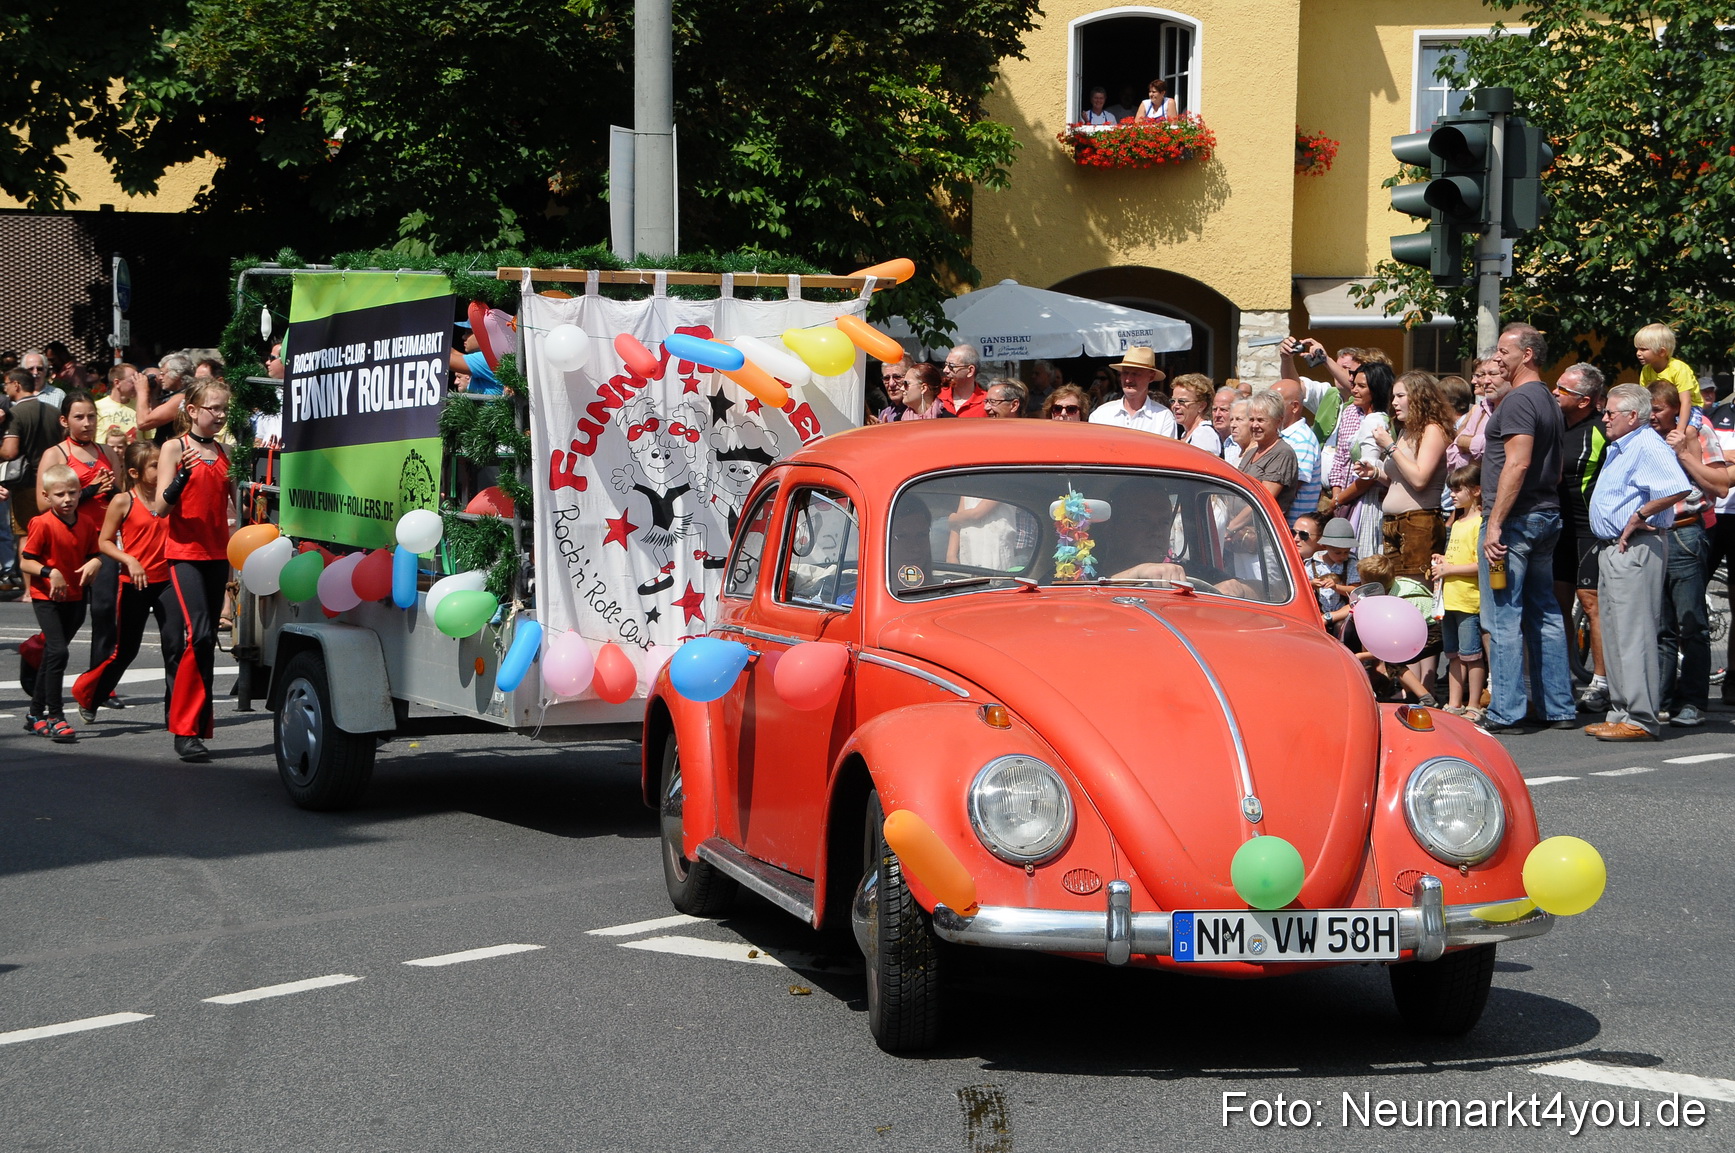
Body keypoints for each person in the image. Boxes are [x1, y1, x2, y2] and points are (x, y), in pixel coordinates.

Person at [1477, 323, 1575, 734]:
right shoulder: (1548, 399)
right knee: (1545, 612)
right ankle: (1558, 707)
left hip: (1515, 521)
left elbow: (1517, 463)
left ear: (1527, 355)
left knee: (1503, 615)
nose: (1498, 358)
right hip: (1544, 515)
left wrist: (1496, 524)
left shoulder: (1518, 401)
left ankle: (1507, 710)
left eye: (1504, 351)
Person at [1584, 384, 1692, 741]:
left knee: (1634, 634)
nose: (1604, 418)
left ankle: (1641, 718)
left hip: (1635, 546)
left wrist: (1642, 513)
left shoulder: (1646, 443)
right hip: (1615, 547)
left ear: (1632, 416)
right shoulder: (1625, 445)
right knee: (1615, 633)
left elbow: (1678, 486)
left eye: (1610, 413)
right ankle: (1621, 712)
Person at [153, 379, 236, 762]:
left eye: (223, 409)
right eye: (213, 408)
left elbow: (235, 506)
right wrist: (182, 477)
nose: (219, 415)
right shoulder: (175, 447)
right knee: (198, 635)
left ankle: (194, 723)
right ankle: (184, 730)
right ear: (192, 410)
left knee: (204, 641)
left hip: (217, 554)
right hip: (184, 554)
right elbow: (160, 507)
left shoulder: (224, 451)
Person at [1649, 381, 1730, 727]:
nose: (1652, 416)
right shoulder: (1644, 436)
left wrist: (1684, 454)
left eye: (1658, 410)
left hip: (1686, 530)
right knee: (1661, 624)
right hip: (1654, 534)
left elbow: (1720, 484)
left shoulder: (1697, 432)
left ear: (1676, 410)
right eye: (1648, 410)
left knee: (1691, 621)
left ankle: (1694, 700)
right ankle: (1662, 698)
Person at [74, 442, 172, 724]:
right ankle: (90, 694)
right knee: (125, 651)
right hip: (134, 583)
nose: (161, 469)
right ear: (135, 472)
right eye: (155, 465)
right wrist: (130, 560)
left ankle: (175, 713)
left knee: (175, 646)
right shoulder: (122, 501)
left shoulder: (170, 497)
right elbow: (104, 541)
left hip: (167, 582)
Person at [20, 463, 103, 741]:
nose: (66, 499)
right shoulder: (41, 523)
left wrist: (95, 562)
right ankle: (55, 715)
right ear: (46, 496)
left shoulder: (87, 523)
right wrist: (49, 572)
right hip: (48, 598)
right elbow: (26, 560)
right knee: (58, 652)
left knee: (53, 656)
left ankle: (34, 715)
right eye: (59, 495)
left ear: (80, 493)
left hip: (77, 597)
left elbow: (95, 553)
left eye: (72, 493)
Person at [1550, 364, 1611, 711]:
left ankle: (1600, 681)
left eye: (1564, 389)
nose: (1555, 392)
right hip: (1558, 527)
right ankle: (1563, 675)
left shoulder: (1601, 430)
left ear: (1585, 400)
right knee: (1557, 603)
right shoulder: (1555, 424)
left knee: (1591, 602)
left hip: (1590, 527)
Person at [1368, 370, 1452, 580]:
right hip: (1392, 524)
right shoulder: (1405, 432)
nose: (1394, 402)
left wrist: (1388, 446)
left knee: (1415, 589)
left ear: (1418, 397)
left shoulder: (1433, 430)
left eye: (1400, 396)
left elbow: (1419, 479)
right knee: (1396, 589)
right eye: (1393, 397)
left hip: (1417, 523)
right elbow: (1400, 480)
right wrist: (1376, 472)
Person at [1432, 463, 1488, 721]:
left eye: (1458, 490)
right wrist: (1443, 560)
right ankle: (1455, 702)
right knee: (1453, 655)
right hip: (1450, 599)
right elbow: (1457, 558)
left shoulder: (1479, 523)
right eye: (1451, 490)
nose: (1452, 495)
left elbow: (1480, 565)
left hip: (1468, 600)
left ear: (1476, 490)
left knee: (1472, 656)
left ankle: (1474, 703)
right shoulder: (1458, 522)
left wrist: (1449, 569)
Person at [1326, 362, 1393, 561]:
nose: (1354, 389)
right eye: (1354, 384)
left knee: (1361, 559)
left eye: (1362, 386)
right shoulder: (1361, 416)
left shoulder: (1374, 421)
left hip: (1366, 501)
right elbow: (1340, 459)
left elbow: (1368, 475)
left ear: (1376, 390)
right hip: (1352, 497)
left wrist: (1338, 500)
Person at [2, 366, 62, 532]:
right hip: (54, 481)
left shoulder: (14, 414)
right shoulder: (55, 411)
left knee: (27, 534)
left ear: (16, 385)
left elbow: (9, 451)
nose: (5, 388)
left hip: (27, 484)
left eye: (6, 384)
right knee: (52, 532)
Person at [1634, 323, 1702, 437]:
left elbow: (1686, 402)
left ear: (1662, 352)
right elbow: (1643, 399)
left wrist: (1680, 430)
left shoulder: (1678, 369)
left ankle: (1694, 454)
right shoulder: (1646, 370)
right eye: (1637, 349)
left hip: (1690, 407)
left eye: (1643, 349)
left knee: (1690, 431)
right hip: (1661, 409)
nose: (1638, 353)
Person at [1238, 391, 1300, 516]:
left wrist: (1231, 527)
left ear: (1278, 421)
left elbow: (1262, 501)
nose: (1255, 425)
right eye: (1251, 419)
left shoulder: (1282, 454)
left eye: (1260, 420)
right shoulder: (1251, 453)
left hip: (1257, 531)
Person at [1089, 347, 1176, 436]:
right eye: (1125, 373)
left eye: (1136, 374)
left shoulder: (1163, 417)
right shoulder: (1101, 414)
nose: (1128, 380)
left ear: (1151, 377)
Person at [1274, 379, 1322, 523]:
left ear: (1294, 407)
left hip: (1292, 529)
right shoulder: (1282, 435)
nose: (1270, 408)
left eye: (1276, 403)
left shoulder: (1302, 440)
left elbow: (1290, 490)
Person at [137, 352, 195, 443]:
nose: (160, 378)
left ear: (177, 374)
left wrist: (141, 391)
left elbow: (143, 423)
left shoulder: (182, 397)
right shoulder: (185, 393)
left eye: (163, 374)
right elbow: (156, 417)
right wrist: (154, 393)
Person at [1169, 374, 1221, 454]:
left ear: (1201, 406)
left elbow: (1205, 465)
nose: (1175, 406)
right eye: (1173, 401)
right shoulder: (1187, 433)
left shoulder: (1203, 433)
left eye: (1182, 401)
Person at [937, 345, 987, 417]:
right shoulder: (937, 397)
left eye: (951, 366)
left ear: (970, 370)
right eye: (945, 365)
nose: (945, 370)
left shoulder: (987, 403)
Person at [97, 364, 141, 445]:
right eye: (132, 381)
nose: (137, 384)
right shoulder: (97, 407)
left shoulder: (141, 407)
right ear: (117, 383)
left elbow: (149, 440)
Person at [875, 356, 908, 423]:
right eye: (886, 378)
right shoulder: (885, 413)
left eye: (897, 377)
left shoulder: (919, 411)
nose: (891, 384)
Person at [1222, 397, 1253, 469]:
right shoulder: (1240, 453)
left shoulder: (1257, 455)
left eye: (1239, 419)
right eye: (1231, 420)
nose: (1233, 425)